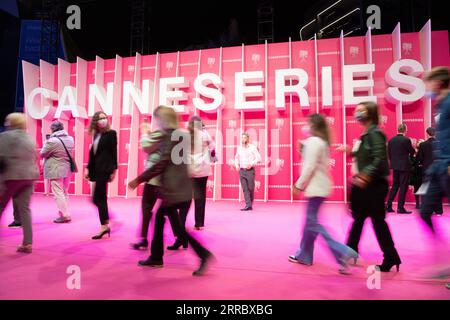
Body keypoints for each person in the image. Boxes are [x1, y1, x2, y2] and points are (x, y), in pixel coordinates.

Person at [128, 106, 214, 276]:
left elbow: (163, 162)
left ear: (162, 119)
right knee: (165, 221)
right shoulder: (181, 134)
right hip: (181, 187)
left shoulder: (170, 135)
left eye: (157, 118)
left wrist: (140, 178)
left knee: (172, 224)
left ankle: (200, 254)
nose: (156, 122)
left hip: (173, 189)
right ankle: (157, 257)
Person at [289, 114, 358, 274]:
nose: (305, 126)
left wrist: (298, 185)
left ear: (313, 125)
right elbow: (314, 162)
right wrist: (303, 151)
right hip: (320, 188)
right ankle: (304, 255)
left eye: (308, 123)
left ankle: (342, 252)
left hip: (315, 188)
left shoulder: (313, 142)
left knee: (312, 224)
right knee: (309, 225)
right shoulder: (321, 142)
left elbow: (310, 166)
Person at [338, 102, 401, 272]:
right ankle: (353, 251)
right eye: (357, 110)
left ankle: (389, 256)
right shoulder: (366, 133)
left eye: (361, 110)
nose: (357, 113)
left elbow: (379, 159)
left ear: (370, 113)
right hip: (365, 184)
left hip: (372, 185)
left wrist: (366, 175)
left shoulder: (375, 133)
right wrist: (350, 151)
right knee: (361, 220)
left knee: (374, 222)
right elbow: (366, 155)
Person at [130, 119, 180, 250]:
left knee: (147, 208)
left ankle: (144, 239)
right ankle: (180, 238)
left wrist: (145, 132)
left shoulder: (161, 133)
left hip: (154, 177)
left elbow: (146, 145)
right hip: (164, 178)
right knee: (170, 210)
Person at [0, 113, 39, 253]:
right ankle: (27, 243)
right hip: (28, 177)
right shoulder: (29, 138)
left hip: (10, 176)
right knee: (25, 209)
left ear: (11, 123)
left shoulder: (5, 137)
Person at [420, 67, 450, 232]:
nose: (427, 88)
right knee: (424, 213)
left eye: (429, 84)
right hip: (439, 168)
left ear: (438, 83)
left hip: (448, 165)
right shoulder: (441, 105)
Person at [85, 111, 117, 240]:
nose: (103, 120)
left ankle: (104, 225)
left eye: (105, 118)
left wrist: (114, 170)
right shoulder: (96, 135)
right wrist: (88, 168)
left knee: (100, 198)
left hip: (105, 170)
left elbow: (114, 152)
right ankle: (106, 219)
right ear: (95, 122)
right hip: (96, 170)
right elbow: (93, 154)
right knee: (95, 199)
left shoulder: (111, 133)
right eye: (100, 118)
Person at [180, 115, 215, 231]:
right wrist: (213, 159)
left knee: (185, 197)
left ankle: (181, 222)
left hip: (189, 170)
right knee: (200, 197)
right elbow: (213, 148)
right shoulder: (205, 134)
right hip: (202, 170)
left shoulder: (185, 135)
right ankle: (199, 223)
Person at [40, 121, 74, 223]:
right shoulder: (71, 138)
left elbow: (42, 154)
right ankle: (64, 212)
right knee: (64, 192)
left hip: (56, 169)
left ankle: (65, 215)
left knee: (58, 192)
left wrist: (46, 142)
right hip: (68, 168)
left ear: (53, 129)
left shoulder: (52, 141)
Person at [386, 123, 416, 214]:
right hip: (404, 166)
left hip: (395, 166)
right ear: (405, 130)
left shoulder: (391, 140)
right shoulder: (406, 140)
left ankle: (389, 205)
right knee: (403, 187)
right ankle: (400, 208)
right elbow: (412, 152)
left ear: (398, 130)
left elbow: (389, 154)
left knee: (395, 186)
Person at [416, 127, 442, 215]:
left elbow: (420, 158)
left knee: (424, 190)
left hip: (426, 170)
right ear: (434, 133)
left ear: (427, 134)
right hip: (437, 170)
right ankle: (438, 210)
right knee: (437, 190)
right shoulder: (439, 143)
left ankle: (426, 210)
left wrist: (420, 163)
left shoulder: (423, 145)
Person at [234, 133, 261, 211]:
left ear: (248, 139)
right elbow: (236, 158)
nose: (244, 139)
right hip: (241, 171)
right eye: (242, 138)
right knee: (245, 189)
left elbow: (259, 158)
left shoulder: (252, 148)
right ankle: (248, 205)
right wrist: (236, 165)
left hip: (250, 171)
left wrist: (251, 163)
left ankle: (250, 202)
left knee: (250, 188)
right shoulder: (239, 148)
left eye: (245, 138)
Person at [410, 140, 424, 209]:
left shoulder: (425, 152)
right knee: (416, 188)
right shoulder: (413, 152)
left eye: (421, 143)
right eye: (419, 142)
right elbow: (410, 161)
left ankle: (423, 203)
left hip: (423, 173)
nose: (419, 144)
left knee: (423, 188)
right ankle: (417, 203)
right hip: (415, 173)